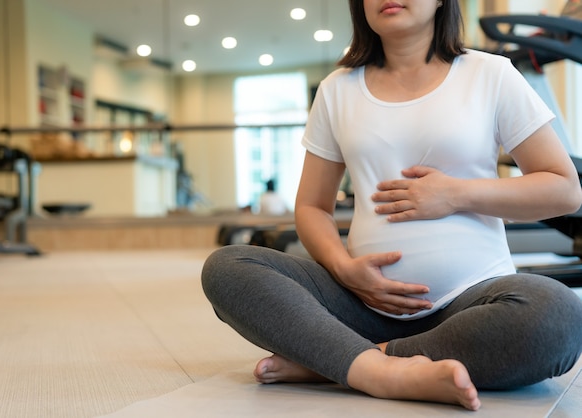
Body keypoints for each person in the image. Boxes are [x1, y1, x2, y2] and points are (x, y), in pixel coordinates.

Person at [202, 0, 582, 411]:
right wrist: (343, 269)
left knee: (557, 316)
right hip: (361, 304)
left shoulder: (490, 74)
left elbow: (563, 189)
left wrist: (456, 194)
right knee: (228, 268)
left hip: (472, 300)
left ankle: (344, 359)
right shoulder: (337, 89)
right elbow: (312, 206)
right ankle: (378, 371)